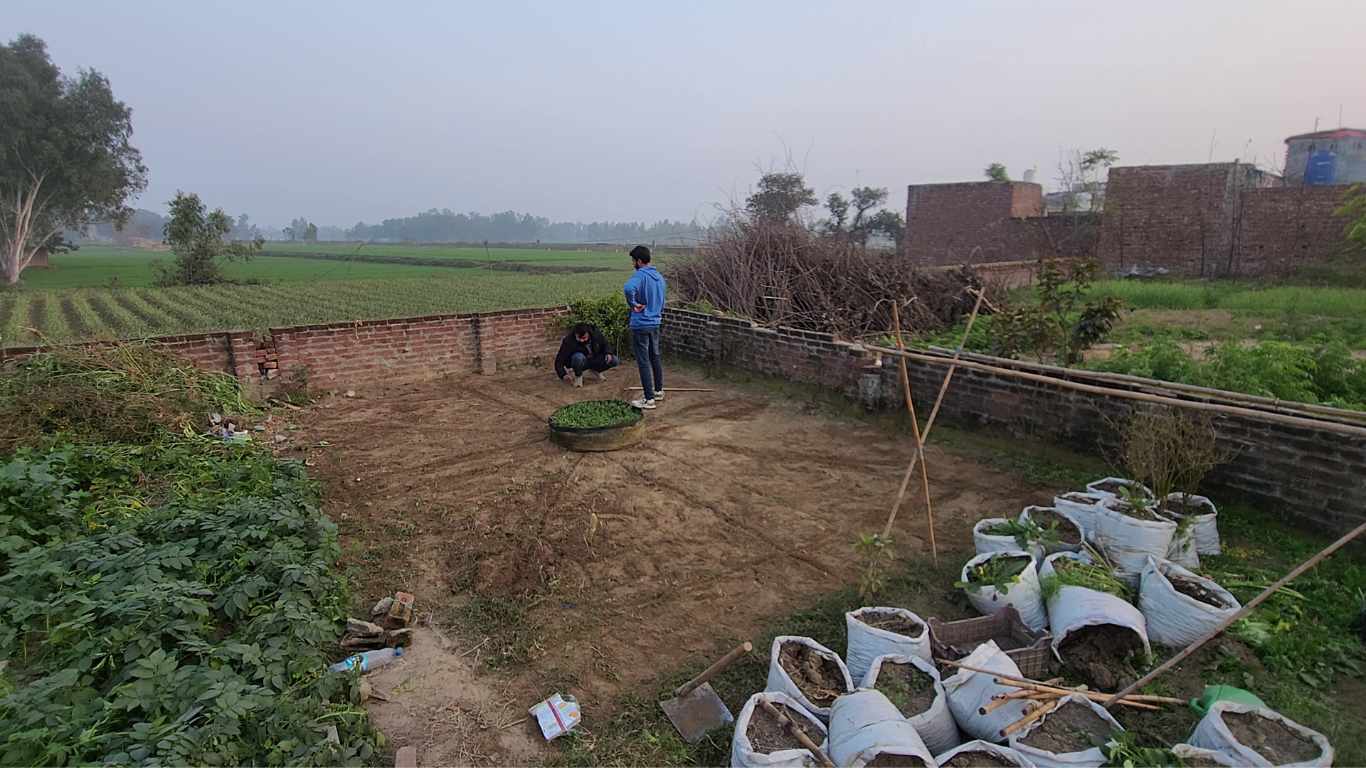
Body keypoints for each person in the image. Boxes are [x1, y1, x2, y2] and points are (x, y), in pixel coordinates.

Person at [623, 244, 666, 409]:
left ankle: (648, 399)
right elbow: (662, 300)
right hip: (655, 322)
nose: (632, 264)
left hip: (641, 324)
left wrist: (633, 304)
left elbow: (628, 288)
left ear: (639, 261)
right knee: (655, 356)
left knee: (643, 361)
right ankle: (658, 391)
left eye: (633, 261)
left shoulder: (640, 276)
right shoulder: (659, 277)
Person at [554, 323, 618, 387]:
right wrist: (563, 374)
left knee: (614, 360)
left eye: (584, 338)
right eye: (579, 338)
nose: (582, 340)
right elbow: (559, 360)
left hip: (594, 358)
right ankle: (578, 376)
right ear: (575, 334)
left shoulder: (596, 334)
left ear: (588, 333)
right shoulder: (568, 341)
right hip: (580, 361)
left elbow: (605, 344)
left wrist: (608, 353)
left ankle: (595, 371)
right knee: (578, 357)